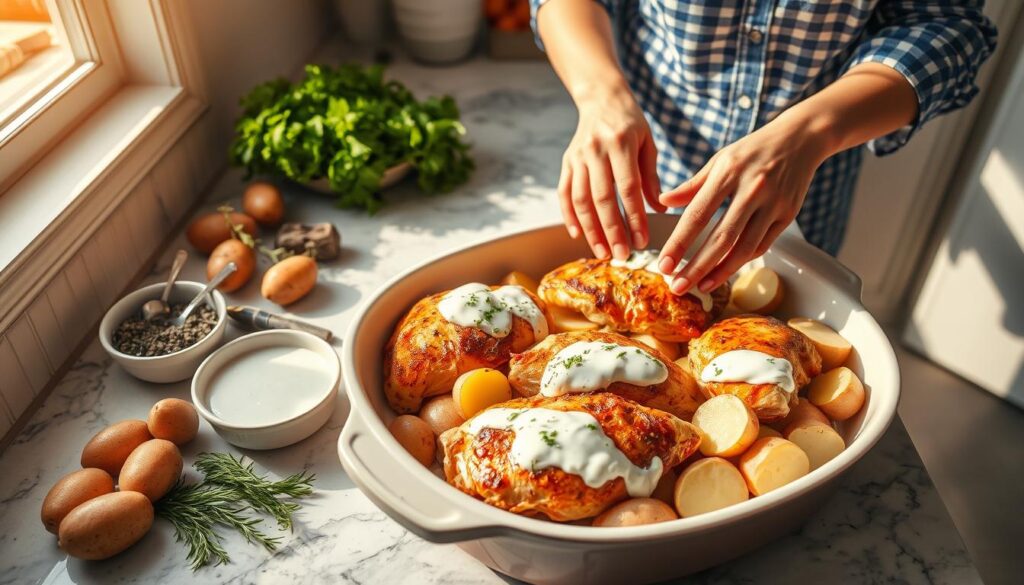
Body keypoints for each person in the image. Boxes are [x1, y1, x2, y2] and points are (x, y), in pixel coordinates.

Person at [530, 0, 996, 296]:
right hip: (646, 169)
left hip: (805, 190)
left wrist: (810, 132)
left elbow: (944, 24)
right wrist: (600, 98)